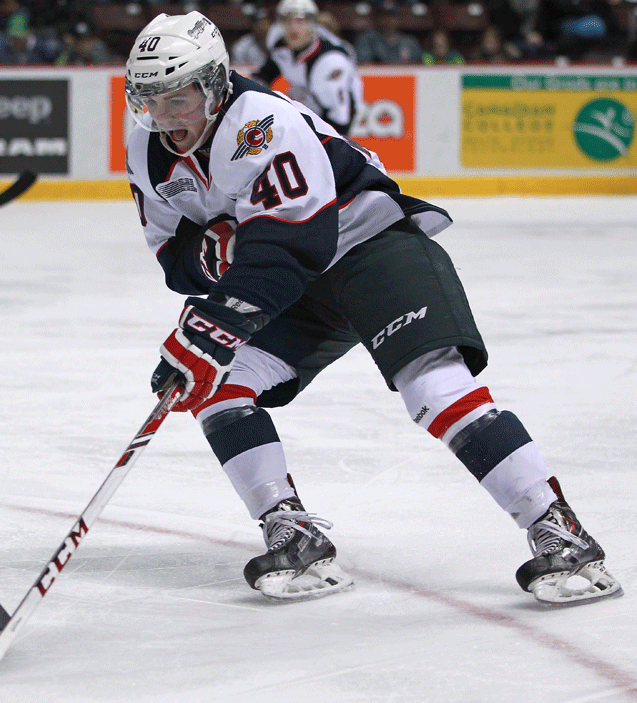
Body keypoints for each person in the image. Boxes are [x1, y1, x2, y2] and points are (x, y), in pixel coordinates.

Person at [123, 12, 622, 607]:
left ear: (213, 84)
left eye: (179, 100)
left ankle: (559, 529)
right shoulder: (146, 152)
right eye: (151, 102)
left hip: (371, 248)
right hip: (298, 283)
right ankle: (294, 533)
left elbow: (293, 244)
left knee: (432, 387)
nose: (167, 120)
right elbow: (175, 260)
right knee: (217, 388)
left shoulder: (261, 122)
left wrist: (215, 320)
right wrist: (215, 264)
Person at [252, 0, 363, 136]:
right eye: (287, 22)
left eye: (300, 22)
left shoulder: (330, 61)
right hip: (307, 96)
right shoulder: (279, 42)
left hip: (334, 112)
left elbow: (341, 119)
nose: (293, 28)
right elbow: (267, 72)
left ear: (312, 25)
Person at [355, 2, 423, 64]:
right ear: (377, 18)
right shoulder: (367, 39)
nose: (388, 20)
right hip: (377, 76)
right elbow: (364, 64)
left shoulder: (410, 42)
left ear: (398, 19)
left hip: (405, 77)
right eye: (384, 16)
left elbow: (423, 64)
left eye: (392, 16)